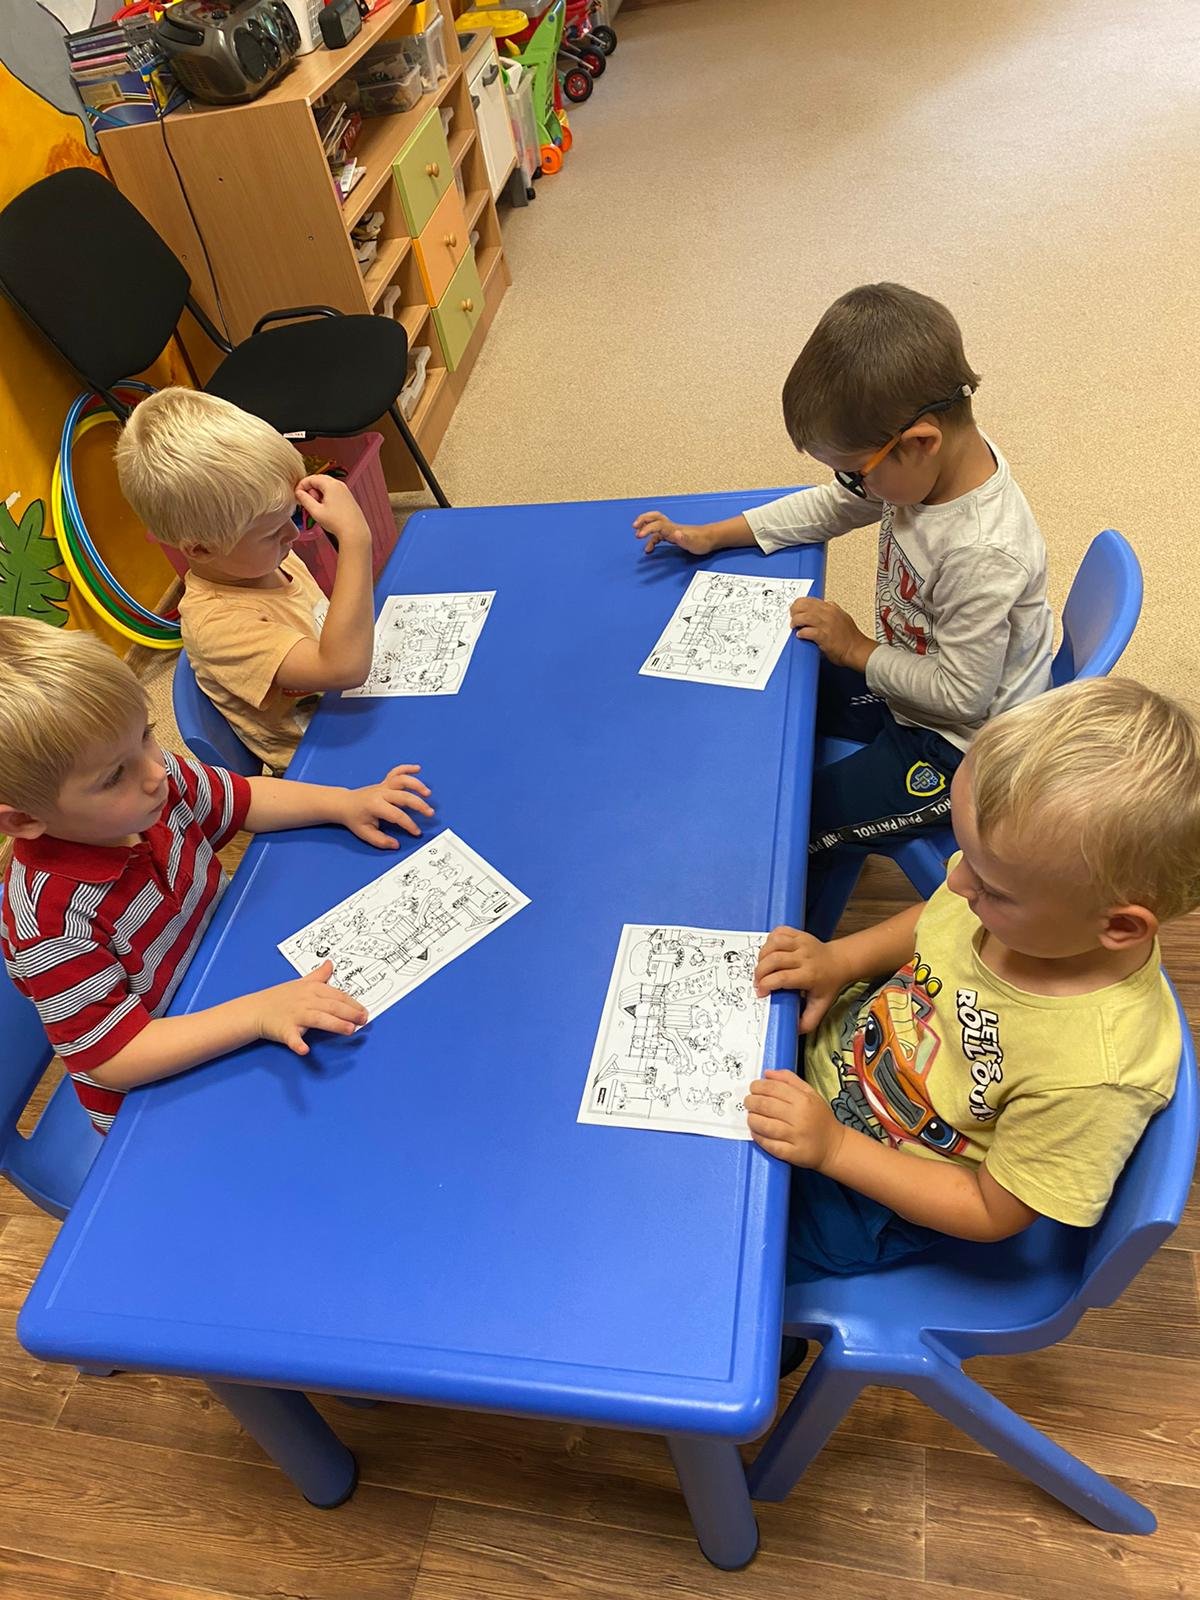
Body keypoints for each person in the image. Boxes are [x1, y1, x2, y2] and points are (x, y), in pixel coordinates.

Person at [745, 678, 1198, 1285]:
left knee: (718, 1244)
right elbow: (937, 919)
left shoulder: (1094, 1073)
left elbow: (992, 1211)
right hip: (836, 1053)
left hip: (876, 1189)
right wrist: (840, 960)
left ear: (1118, 926)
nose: (957, 883)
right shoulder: (1019, 897)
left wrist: (834, 1148)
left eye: (990, 888)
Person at [633, 284, 1053, 895]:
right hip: (912, 683)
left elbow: (962, 697)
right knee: (766, 696)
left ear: (920, 442)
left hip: (962, 747)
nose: (851, 486)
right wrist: (713, 534)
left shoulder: (980, 553)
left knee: (786, 824)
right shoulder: (931, 465)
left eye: (855, 472)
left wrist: (856, 649)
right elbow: (832, 506)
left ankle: (797, 939)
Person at [0, 619, 433, 1134]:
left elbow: (244, 799)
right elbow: (116, 1056)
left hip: (225, 967)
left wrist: (344, 803)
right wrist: (258, 1014)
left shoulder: (150, 786)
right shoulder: (46, 922)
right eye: (113, 776)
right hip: (159, 1090)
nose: (155, 772)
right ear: (23, 820)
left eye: (145, 735)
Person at [115, 387, 377, 773]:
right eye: (272, 532)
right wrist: (355, 538)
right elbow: (342, 668)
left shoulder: (261, 561)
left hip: (352, 710)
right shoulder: (217, 625)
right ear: (200, 549)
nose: (293, 533)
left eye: (292, 515)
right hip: (323, 764)